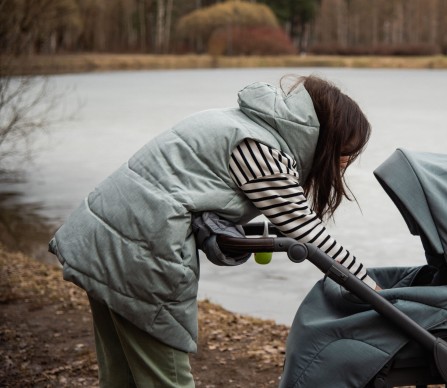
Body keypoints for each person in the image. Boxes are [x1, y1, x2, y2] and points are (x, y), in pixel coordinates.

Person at [48, 74, 379, 387]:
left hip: (105, 235)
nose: (345, 163)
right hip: (137, 249)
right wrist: (370, 288)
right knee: (168, 378)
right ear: (328, 139)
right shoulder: (260, 149)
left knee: (122, 377)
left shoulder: (242, 124)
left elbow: (194, 190)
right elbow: (306, 231)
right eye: (346, 153)